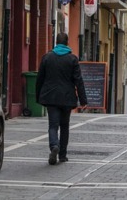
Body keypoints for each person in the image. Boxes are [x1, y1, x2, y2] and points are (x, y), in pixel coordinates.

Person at [36, 32, 88, 165]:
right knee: (64, 126)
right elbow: (78, 80)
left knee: (53, 125)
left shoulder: (47, 57)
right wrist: (83, 100)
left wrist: (38, 96)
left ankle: (54, 146)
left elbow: (40, 78)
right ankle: (62, 155)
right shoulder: (72, 59)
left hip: (51, 97)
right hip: (67, 98)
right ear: (67, 43)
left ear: (56, 42)